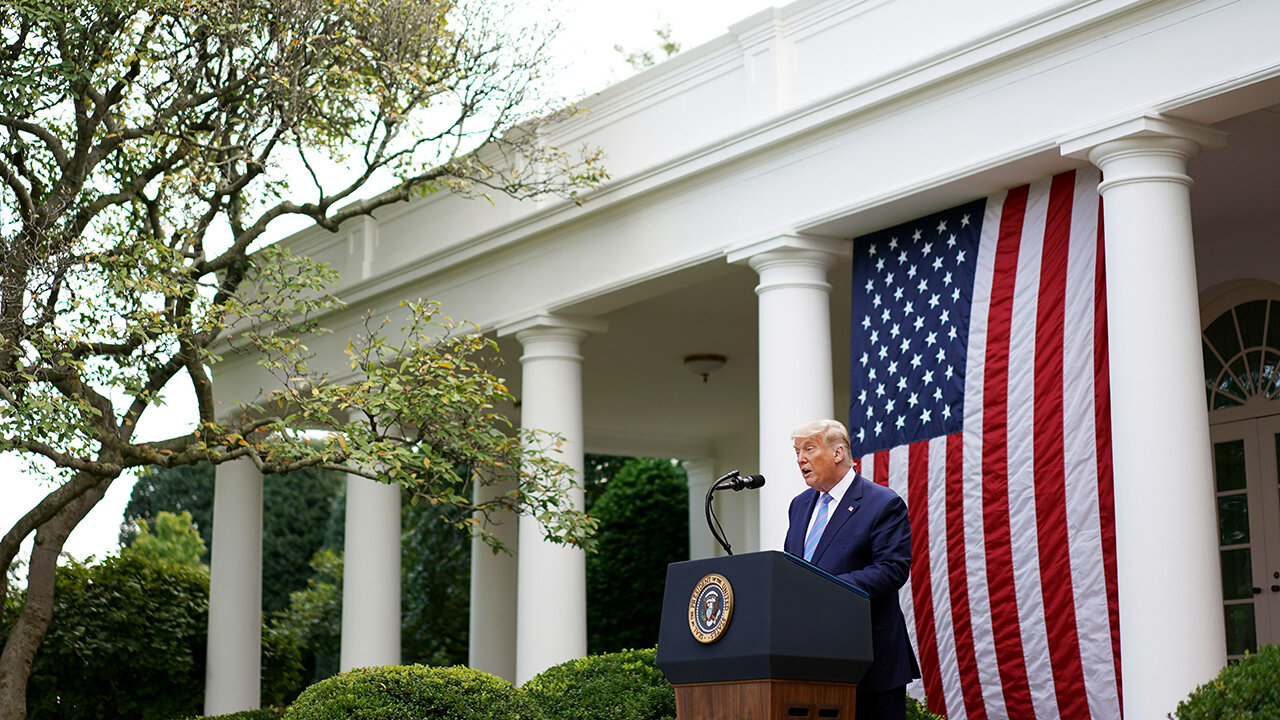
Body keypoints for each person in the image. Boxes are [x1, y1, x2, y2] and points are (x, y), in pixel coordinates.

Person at [782, 419, 919, 720]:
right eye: (796, 451)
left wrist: (826, 587)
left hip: (868, 659)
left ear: (837, 452)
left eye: (808, 448)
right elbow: (792, 568)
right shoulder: (799, 505)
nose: (800, 458)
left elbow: (892, 569)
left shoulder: (882, 503)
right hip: (810, 661)